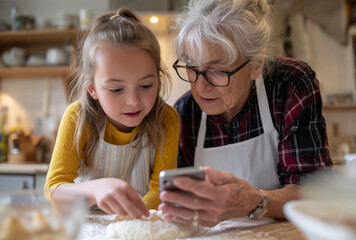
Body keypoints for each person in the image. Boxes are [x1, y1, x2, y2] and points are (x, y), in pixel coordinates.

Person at [159, 0, 332, 227]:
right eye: (192, 68)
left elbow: (315, 192)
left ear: (256, 64)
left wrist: (254, 201)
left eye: (218, 71)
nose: (200, 88)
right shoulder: (185, 113)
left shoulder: (289, 85)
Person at [45, 8, 179, 218]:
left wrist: (131, 218)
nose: (133, 101)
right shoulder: (77, 117)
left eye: (145, 85)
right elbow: (53, 191)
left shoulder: (166, 120)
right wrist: (96, 190)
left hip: (139, 222)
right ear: (93, 90)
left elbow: (159, 190)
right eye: (116, 90)